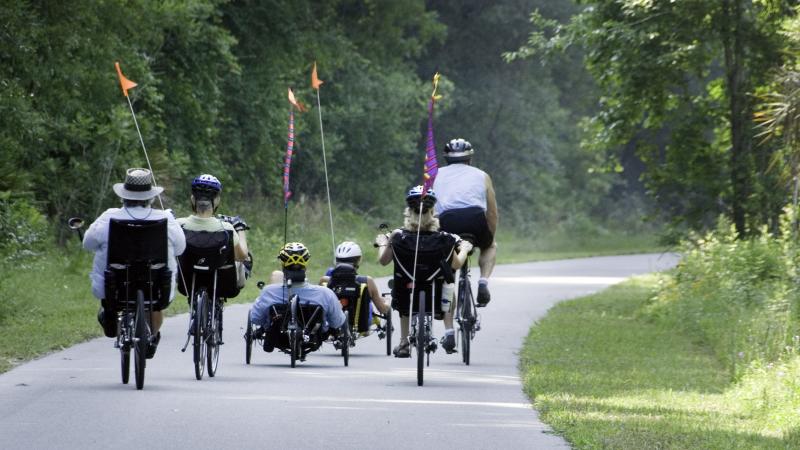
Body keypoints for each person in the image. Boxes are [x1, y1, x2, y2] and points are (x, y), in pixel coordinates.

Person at [83, 168, 186, 357]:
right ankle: (152, 336)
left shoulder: (109, 217)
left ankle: (112, 318)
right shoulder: (165, 218)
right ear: (150, 197)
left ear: (124, 195)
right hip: (155, 285)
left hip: (116, 283)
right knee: (154, 306)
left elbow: (88, 243)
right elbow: (180, 248)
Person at [376, 186, 472, 357]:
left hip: (407, 291)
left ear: (409, 212)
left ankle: (404, 342)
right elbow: (456, 265)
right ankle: (449, 331)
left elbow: (383, 261)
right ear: (432, 212)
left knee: (402, 287)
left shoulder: (397, 236)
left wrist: (383, 242)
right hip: (436, 295)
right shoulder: (445, 239)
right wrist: (463, 249)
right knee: (447, 281)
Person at [433, 138, 498, 307]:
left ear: (446, 158)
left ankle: (447, 287)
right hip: (475, 218)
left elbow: (429, 209)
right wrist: (489, 236)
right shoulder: (482, 175)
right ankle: (483, 281)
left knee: (445, 251)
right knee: (490, 246)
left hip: (447, 220)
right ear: (469, 158)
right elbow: (492, 212)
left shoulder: (434, 174)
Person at [249, 243, 346, 346]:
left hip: (277, 337)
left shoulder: (268, 292)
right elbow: (337, 322)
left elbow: (256, 319)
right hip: (313, 338)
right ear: (305, 266)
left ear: (282, 266)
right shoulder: (325, 293)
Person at [176, 174, 250, 291]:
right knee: (245, 259)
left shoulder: (179, 225)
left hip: (187, 279)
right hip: (221, 281)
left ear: (192, 199)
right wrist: (240, 229)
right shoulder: (227, 228)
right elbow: (241, 256)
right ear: (217, 201)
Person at [320, 241, 391, 330]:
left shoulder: (324, 280)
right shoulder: (367, 281)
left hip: (332, 323)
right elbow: (382, 309)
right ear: (358, 260)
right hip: (361, 323)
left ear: (337, 260)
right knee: (368, 299)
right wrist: (387, 302)